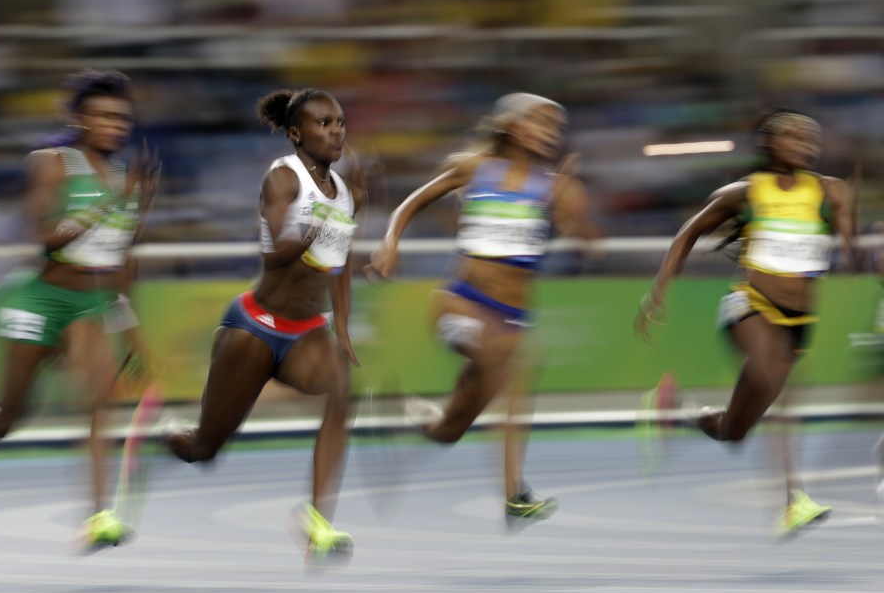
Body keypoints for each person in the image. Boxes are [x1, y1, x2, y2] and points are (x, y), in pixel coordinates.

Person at [0, 69, 159, 550]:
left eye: (122, 117)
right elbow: (44, 237)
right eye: (103, 115)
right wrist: (108, 205)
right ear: (80, 119)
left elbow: (121, 261)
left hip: (90, 303)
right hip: (38, 298)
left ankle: (99, 515)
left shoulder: (129, 181)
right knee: (6, 420)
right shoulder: (52, 162)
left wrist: (134, 334)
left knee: (101, 397)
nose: (115, 124)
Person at [366, 92, 601, 532]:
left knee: (448, 430)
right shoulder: (473, 167)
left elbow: (591, 246)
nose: (549, 133)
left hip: (511, 319)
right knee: (519, 364)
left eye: (555, 127)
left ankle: (409, 416)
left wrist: (574, 209)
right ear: (509, 125)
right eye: (539, 122)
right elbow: (412, 202)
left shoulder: (556, 186)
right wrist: (389, 242)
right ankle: (516, 495)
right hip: (460, 304)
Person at [161, 88, 365, 563]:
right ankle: (170, 432)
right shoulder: (283, 177)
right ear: (296, 133)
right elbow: (273, 257)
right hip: (255, 326)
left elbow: (342, 261)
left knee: (343, 389)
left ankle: (317, 519)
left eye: (339, 122)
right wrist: (315, 231)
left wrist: (345, 328)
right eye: (323, 123)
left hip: (307, 331)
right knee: (204, 451)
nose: (336, 131)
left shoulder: (347, 194)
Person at [635, 108, 856, 539]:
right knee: (775, 377)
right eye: (793, 136)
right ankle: (794, 501)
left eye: (811, 138)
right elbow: (688, 233)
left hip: (801, 318)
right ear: (768, 143)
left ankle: (676, 412)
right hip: (749, 305)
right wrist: (658, 290)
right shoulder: (745, 193)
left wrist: (850, 238)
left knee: (732, 432)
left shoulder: (831, 191)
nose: (805, 145)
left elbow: (849, 247)